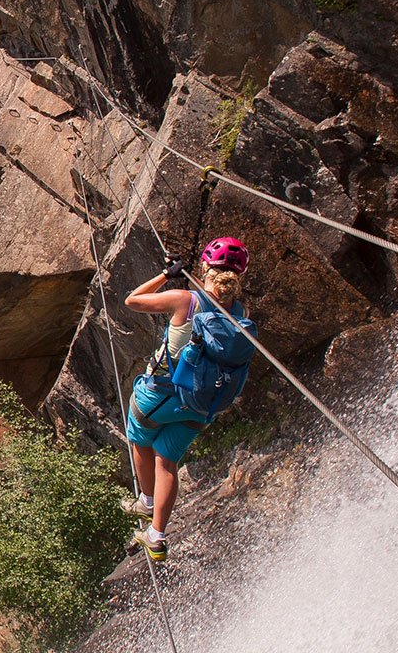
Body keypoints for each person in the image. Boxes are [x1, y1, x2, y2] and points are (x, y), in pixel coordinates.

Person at [120, 236, 251, 561]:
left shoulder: (185, 300)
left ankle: (147, 502)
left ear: (205, 267)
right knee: (167, 461)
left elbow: (132, 300)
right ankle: (157, 535)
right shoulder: (239, 312)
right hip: (202, 405)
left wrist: (168, 274)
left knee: (138, 437)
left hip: (163, 394)